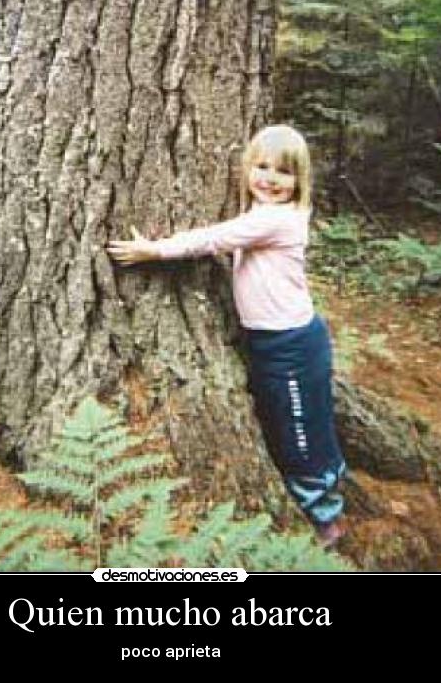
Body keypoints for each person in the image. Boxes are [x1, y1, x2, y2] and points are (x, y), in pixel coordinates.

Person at [106, 124, 346, 549]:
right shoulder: (261, 213)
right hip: (273, 342)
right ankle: (311, 497)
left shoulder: (276, 219)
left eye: (283, 172)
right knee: (278, 420)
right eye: (262, 167)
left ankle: (324, 518)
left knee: (301, 428)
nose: (270, 178)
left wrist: (155, 250)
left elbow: (214, 238)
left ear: (300, 180)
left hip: (292, 344)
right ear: (247, 168)